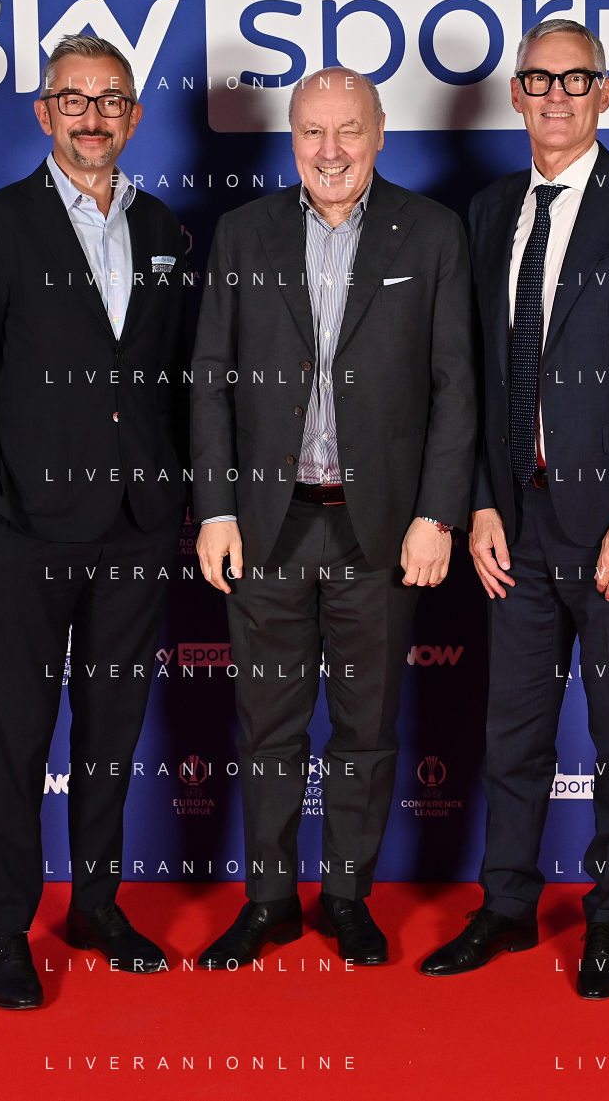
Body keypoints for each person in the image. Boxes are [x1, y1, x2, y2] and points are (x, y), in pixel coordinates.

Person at [421, 19, 609, 998]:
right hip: (518, 520)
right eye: (538, 79)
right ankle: (505, 901)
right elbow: (469, 376)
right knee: (511, 731)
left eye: (574, 79)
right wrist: (478, 505)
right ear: (514, 93)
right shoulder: (489, 210)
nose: (555, 95)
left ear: (604, 92)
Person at [190, 66, 475, 969]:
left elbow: (454, 386)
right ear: (291, 140)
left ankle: (347, 895)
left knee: (365, 728)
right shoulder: (243, 233)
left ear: (380, 132)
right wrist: (216, 508)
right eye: (312, 131)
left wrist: (437, 515)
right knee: (266, 728)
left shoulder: (432, 232)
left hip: (379, 529)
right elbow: (209, 381)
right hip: (267, 526)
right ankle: (269, 901)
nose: (330, 150)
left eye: (348, 129)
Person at [0, 34, 188, 1008]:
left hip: (138, 521)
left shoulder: (162, 227)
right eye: (74, 100)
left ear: (133, 115)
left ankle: (94, 904)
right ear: (45, 113)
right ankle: (7, 928)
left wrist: (177, 493)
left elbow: (168, 378)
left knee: (111, 728)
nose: (93, 116)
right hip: (33, 524)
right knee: (20, 732)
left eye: (110, 99)